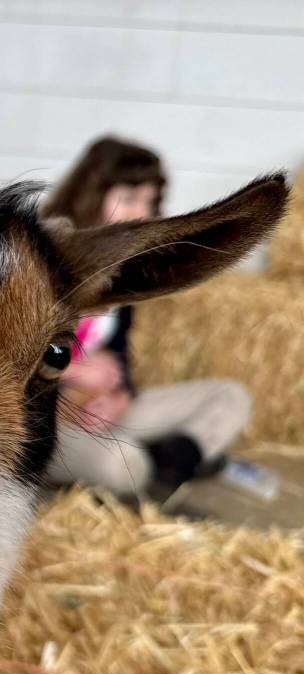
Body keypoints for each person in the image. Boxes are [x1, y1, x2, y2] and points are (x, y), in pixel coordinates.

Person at [41, 136, 252, 503]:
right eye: (130, 197)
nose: (142, 213)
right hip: (46, 417)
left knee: (231, 397)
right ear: (93, 192)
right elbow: (4, 362)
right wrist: (73, 371)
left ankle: (174, 460)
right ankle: (155, 463)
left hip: (99, 411)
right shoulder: (42, 255)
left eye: (150, 201)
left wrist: (120, 398)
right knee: (124, 466)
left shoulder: (122, 268)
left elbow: (117, 357)